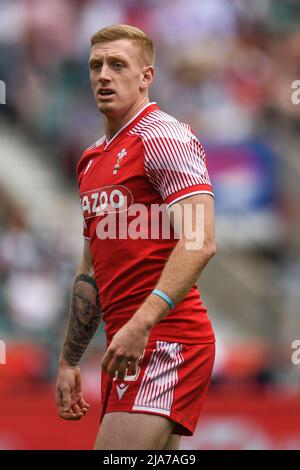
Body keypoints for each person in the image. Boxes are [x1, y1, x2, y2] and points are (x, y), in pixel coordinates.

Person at [55, 24, 216, 451]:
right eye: (95, 66)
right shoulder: (90, 159)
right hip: (125, 347)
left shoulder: (165, 136)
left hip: (166, 339)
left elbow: (200, 240)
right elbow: (90, 271)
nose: (103, 75)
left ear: (146, 76)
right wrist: (70, 359)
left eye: (117, 64)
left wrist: (142, 323)